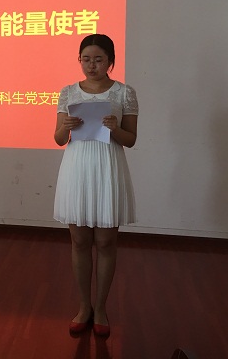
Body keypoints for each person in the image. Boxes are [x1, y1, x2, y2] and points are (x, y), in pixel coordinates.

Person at [53, 33, 138, 338]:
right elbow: (59, 139)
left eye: (98, 59)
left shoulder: (124, 93)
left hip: (107, 166)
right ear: (80, 60)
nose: (91, 65)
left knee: (105, 242)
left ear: (110, 61)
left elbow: (131, 139)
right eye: (86, 59)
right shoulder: (68, 92)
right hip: (77, 167)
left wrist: (115, 129)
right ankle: (83, 306)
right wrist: (66, 127)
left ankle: (100, 308)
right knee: (79, 242)